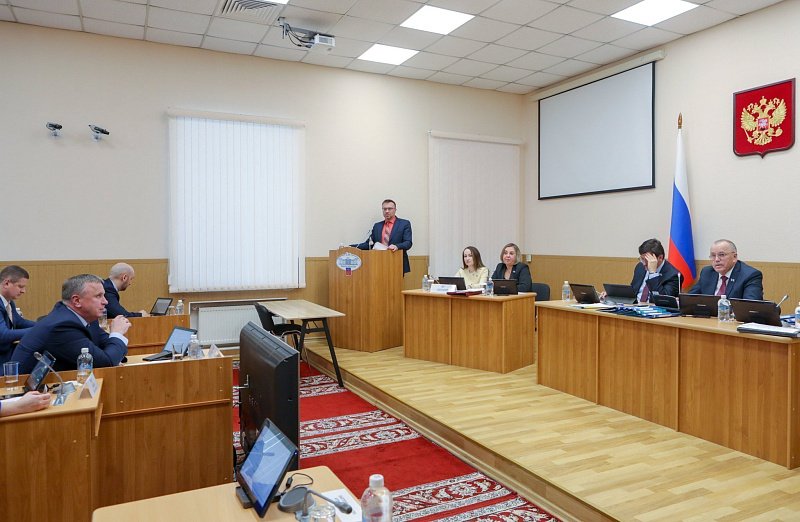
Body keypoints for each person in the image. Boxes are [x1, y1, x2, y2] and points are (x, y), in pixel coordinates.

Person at [11, 274, 131, 373]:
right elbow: (106, 362)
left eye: (104, 295)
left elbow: (110, 348)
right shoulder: (63, 326)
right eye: (98, 296)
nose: (105, 302)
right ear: (77, 301)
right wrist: (117, 333)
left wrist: (115, 346)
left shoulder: (86, 317)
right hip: (24, 390)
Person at [352, 199, 413, 274]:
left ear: (395, 210)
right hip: (379, 262)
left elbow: (408, 243)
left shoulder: (404, 224)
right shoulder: (377, 226)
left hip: (397, 262)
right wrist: (352, 247)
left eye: (390, 209)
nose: (387, 211)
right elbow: (369, 244)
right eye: (384, 209)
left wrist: (397, 246)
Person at [688, 239, 763, 300]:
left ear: (734, 257)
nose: (717, 259)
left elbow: (750, 306)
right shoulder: (707, 272)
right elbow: (690, 299)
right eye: (713, 255)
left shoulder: (750, 275)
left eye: (721, 255)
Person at [0, 265, 36, 364]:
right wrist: (38, 330)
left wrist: (45, 325)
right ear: (6, 283)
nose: (23, 291)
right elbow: (3, 335)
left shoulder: (9, 301)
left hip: (7, 352)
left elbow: (19, 322)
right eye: (20, 286)